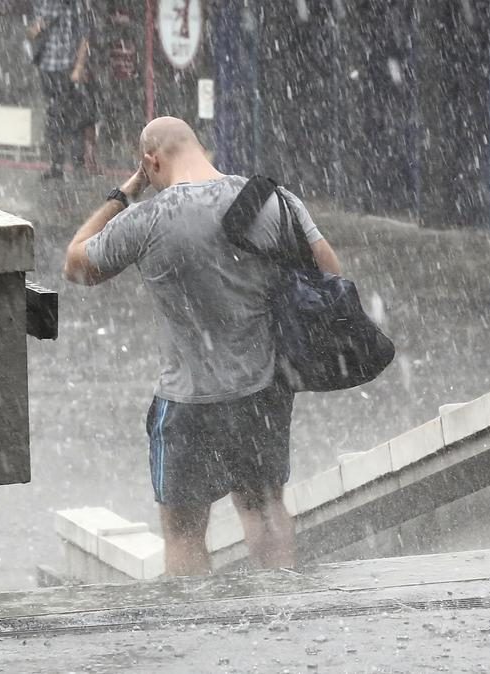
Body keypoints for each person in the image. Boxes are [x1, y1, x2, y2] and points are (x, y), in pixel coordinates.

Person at [63, 117, 341, 576]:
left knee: (184, 532)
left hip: (186, 402)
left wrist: (124, 193)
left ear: (151, 161)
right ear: (201, 148)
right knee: (265, 508)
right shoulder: (272, 199)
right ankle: (279, 613)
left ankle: (194, 626)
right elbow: (330, 273)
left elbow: (76, 262)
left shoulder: (148, 218)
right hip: (260, 391)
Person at [28, 0, 95, 180]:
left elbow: (85, 35)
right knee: (53, 117)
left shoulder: (74, 4)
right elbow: (31, 32)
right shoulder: (41, 4)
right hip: (47, 67)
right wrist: (38, 27)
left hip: (67, 67)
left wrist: (79, 67)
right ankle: (56, 166)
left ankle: (77, 166)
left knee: (73, 117)